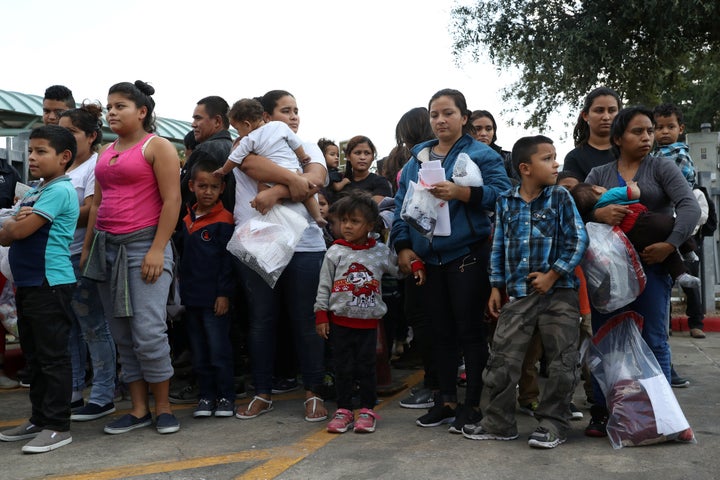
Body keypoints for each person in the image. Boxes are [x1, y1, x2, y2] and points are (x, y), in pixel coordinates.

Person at [391, 88, 511, 433]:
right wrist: (402, 246)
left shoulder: (481, 154)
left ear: (464, 117)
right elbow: (402, 207)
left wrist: (463, 193)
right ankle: (445, 401)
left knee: (469, 333)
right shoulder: (417, 160)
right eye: (434, 115)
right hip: (427, 262)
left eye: (447, 113)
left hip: (466, 258)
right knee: (438, 333)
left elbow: (505, 195)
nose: (440, 120)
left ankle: (472, 405)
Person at [461, 135, 588, 449]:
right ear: (525, 168)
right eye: (547, 158)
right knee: (503, 359)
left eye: (555, 156)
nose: (555, 163)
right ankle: (499, 422)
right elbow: (499, 246)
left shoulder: (560, 197)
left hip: (560, 294)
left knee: (561, 362)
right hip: (518, 294)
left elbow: (578, 240)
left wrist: (552, 274)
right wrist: (495, 285)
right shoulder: (506, 200)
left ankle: (553, 423)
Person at [583, 106, 700, 437]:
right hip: (609, 274)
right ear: (618, 138)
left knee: (654, 340)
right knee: (608, 342)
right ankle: (604, 413)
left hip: (652, 266)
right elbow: (579, 211)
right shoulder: (598, 174)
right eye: (638, 131)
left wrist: (670, 244)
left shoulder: (661, 167)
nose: (647, 137)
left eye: (649, 131)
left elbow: (689, 206)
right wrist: (599, 215)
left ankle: (666, 419)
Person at [82, 80, 181, 435]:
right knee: (122, 334)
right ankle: (139, 410)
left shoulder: (159, 147)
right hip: (107, 249)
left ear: (142, 111)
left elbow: (173, 201)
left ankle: (164, 408)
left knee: (149, 332)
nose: (111, 112)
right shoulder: (106, 151)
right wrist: (89, 248)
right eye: (109, 107)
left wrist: (157, 249)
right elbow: (98, 202)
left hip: (144, 248)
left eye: (120, 106)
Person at [231, 89, 329, 422]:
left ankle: (314, 392)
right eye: (286, 110)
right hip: (259, 242)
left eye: (297, 110)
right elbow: (255, 166)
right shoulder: (246, 145)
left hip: (305, 245)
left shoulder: (309, 146)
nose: (294, 116)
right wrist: (290, 184)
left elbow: (316, 179)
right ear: (267, 118)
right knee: (261, 322)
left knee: (306, 321)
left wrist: (276, 191)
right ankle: (262, 392)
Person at [315, 192, 423, 433]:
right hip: (340, 322)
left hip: (369, 324)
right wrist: (321, 314)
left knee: (366, 367)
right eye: (344, 221)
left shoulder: (380, 251)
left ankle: (366, 410)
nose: (347, 226)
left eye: (354, 221)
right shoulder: (335, 251)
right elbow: (324, 285)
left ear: (371, 225)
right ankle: (343, 410)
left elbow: (398, 270)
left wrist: (414, 264)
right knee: (342, 367)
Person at [0, 125, 80, 453]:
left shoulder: (60, 191)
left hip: (50, 284)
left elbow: (17, 232)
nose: (32, 157)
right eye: (31, 151)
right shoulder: (36, 190)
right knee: (34, 357)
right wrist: (12, 224)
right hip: (30, 284)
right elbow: (7, 233)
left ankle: (58, 426)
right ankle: (39, 418)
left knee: (52, 358)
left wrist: (12, 225)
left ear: (64, 158)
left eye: (41, 151)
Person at [58, 104, 118, 422]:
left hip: (83, 253)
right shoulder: (64, 168)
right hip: (60, 256)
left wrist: (49, 211)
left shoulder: (96, 167)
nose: (64, 137)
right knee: (70, 328)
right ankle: (74, 391)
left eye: (71, 132)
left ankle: (104, 394)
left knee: (94, 327)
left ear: (92, 136)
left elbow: (92, 209)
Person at [178, 156, 236, 418]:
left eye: (214, 187)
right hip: (191, 298)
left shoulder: (225, 220)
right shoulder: (186, 218)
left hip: (215, 300)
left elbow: (227, 262)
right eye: (203, 186)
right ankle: (205, 396)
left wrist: (224, 294)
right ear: (192, 186)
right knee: (199, 351)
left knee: (218, 350)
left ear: (222, 188)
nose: (208, 191)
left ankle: (225, 397)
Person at [213, 98, 325, 226]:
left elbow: (234, 159)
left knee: (263, 189)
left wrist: (223, 170)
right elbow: (295, 144)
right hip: (294, 168)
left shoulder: (249, 139)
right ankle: (317, 216)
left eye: (237, 129)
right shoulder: (280, 127)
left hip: (272, 179)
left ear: (247, 125)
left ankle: (272, 220)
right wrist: (302, 157)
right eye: (286, 111)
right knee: (308, 194)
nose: (293, 117)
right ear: (265, 115)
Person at [572, 181, 700, 287]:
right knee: (675, 224)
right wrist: (632, 185)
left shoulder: (595, 210)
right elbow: (633, 193)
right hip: (640, 221)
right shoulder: (609, 194)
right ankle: (688, 250)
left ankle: (680, 275)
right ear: (596, 189)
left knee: (664, 252)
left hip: (628, 239)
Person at [652, 103, 706, 340]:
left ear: (680, 128)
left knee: (689, 277)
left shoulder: (679, 153)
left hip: (679, 211)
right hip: (664, 216)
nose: (664, 132)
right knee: (666, 277)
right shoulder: (652, 154)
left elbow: (679, 184)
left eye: (670, 126)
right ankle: (668, 323)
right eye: (659, 127)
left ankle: (696, 322)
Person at [180, 96, 235, 216]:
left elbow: (187, 199)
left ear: (217, 121)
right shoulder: (232, 148)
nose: (193, 125)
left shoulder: (207, 150)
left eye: (198, 118)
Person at [562, 87, 622, 181]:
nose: (606, 117)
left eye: (612, 111)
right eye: (599, 110)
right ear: (585, 116)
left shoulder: (630, 152)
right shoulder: (574, 158)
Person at [338, 136, 392, 203]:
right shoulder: (340, 183)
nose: (362, 157)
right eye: (357, 153)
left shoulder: (380, 182)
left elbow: (375, 208)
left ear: (372, 157)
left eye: (367, 153)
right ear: (348, 156)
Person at [469, 110, 518, 183]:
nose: (483, 133)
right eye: (477, 129)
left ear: (494, 132)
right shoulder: (454, 157)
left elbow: (523, 189)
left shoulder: (508, 158)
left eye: (488, 129)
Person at [318, 138, 344, 202]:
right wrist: (345, 181)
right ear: (322, 156)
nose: (336, 157)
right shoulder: (332, 173)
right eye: (332, 154)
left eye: (338, 155)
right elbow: (337, 187)